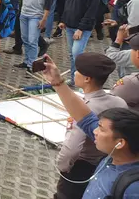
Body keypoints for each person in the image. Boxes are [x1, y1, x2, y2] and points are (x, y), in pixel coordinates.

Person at [39, 54, 139, 198]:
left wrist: (63, 166)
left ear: (120, 143)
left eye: (101, 129)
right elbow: (85, 119)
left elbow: (72, 147)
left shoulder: (132, 187)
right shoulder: (109, 159)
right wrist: (57, 82)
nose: (94, 132)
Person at [60, 0, 101, 82]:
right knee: (72, 55)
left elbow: (91, 12)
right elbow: (67, 3)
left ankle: (83, 80)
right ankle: (74, 79)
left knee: (77, 55)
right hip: (69, 26)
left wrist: (81, 29)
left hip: (82, 29)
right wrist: (63, 20)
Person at [14, 0, 54, 71]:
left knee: (32, 41)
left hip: (36, 16)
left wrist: (44, 19)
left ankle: (32, 65)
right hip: (24, 14)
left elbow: (48, 4)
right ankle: (27, 61)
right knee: (25, 39)